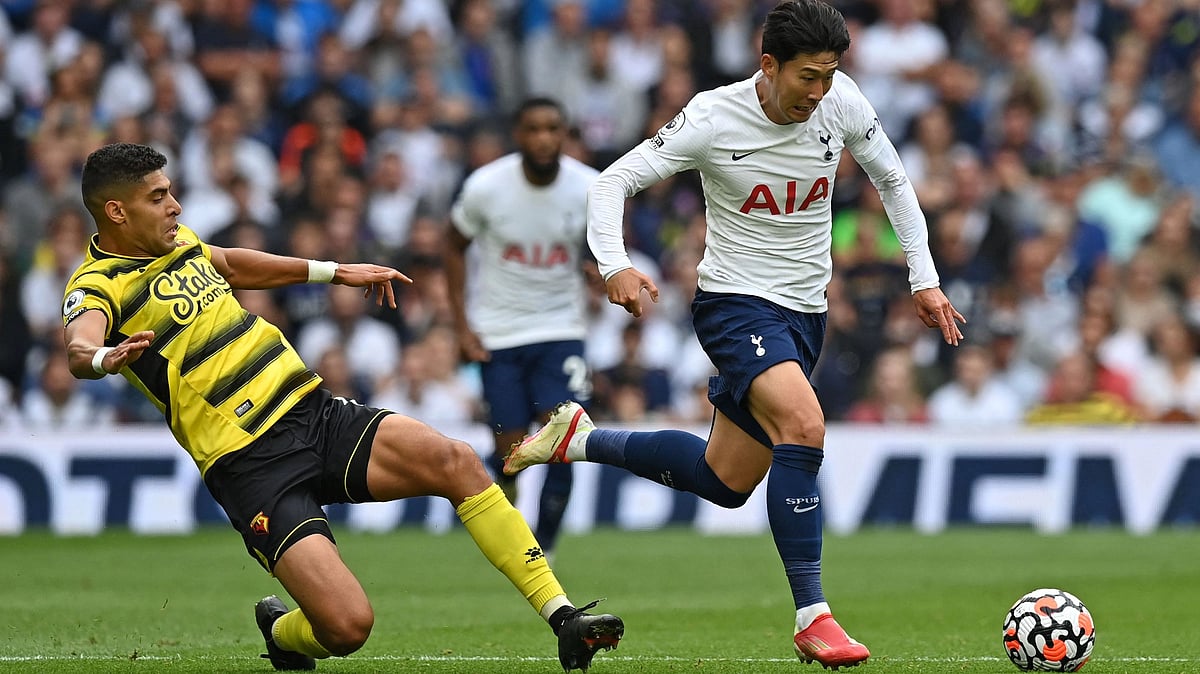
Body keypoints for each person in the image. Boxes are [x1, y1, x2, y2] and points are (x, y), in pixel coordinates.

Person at [504, 1, 964, 669]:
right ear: (767, 65)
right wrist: (616, 264)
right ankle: (814, 617)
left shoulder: (841, 102)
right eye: (807, 77)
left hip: (804, 314)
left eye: (830, 75)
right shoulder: (713, 117)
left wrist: (923, 277)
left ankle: (579, 438)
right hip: (735, 305)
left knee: (725, 481)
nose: (819, 92)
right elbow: (612, 182)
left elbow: (892, 180)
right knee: (803, 426)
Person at [61, 143, 623, 672]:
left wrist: (335, 270)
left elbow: (228, 263)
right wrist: (107, 357)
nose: (174, 204)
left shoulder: (180, 241)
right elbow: (78, 349)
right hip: (249, 464)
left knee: (455, 461)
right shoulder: (96, 284)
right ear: (116, 211)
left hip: (313, 413)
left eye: (170, 191)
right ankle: (281, 633)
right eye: (157, 197)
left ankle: (564, 617)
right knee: (348, 628)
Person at [445, 97, 599, 560]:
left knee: (568, 439)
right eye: (533, 129)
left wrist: (602, 271)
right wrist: (461, 325)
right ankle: (509, 516)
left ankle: (545, 547)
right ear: (518, 135)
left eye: (553, 128)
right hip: (500, 334)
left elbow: (601, 250)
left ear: (564, 134)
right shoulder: (486, 187)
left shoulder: (589, 187)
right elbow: (451, 247)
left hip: (561, 329)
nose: (544, 138)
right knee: (510, 450)